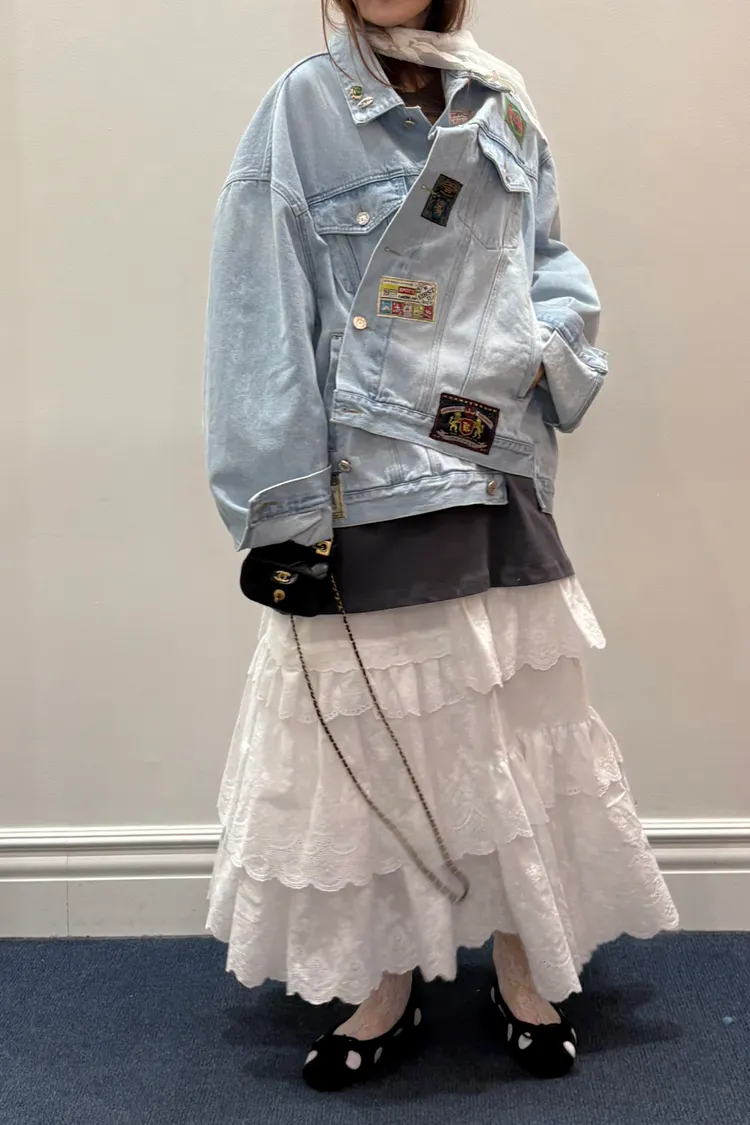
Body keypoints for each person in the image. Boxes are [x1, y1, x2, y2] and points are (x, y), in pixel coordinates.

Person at [203, 0, 679, 1093]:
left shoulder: (499, 96)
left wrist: (536, 351)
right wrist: (279, 505)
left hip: (493, 468)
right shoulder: (301, 111)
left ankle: (522, 959)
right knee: (374, 751)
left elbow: (547, 260)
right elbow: (258, 309)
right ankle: (387, 977)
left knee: (514, 734)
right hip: (366, 487)